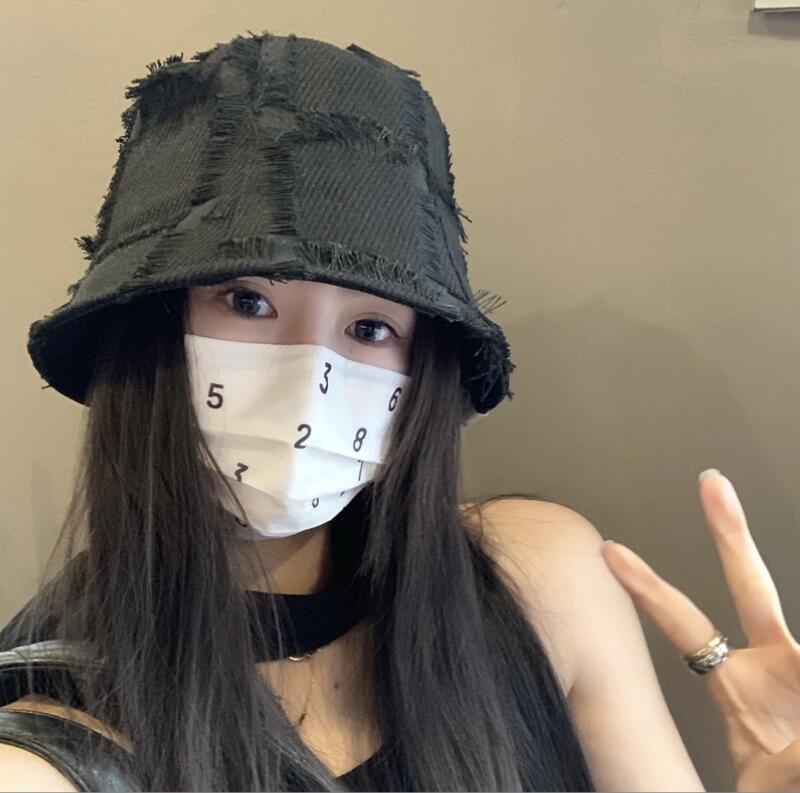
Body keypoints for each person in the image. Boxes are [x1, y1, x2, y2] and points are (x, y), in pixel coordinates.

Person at [1, 30, 797, 793]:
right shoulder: (53, 724)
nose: (309, 378)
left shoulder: (544, 580)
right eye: (246, 300)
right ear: (147, 326)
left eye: (371, 328)